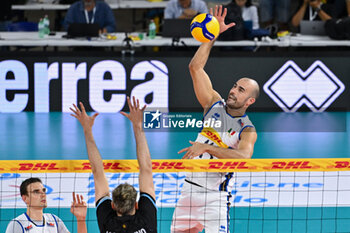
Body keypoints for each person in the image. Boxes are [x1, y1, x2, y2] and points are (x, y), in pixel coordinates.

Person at [171, 5, 259, 233]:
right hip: (188, 191)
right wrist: (212, 36)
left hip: (215, 198)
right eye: (234, 86)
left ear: (249, 101)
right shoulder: (213, 104)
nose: (233, 91)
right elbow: (195, 67)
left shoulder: (247, 129)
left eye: (241, 91)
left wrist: (205, 148)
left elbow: (243, 157)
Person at [70, 98, 157, 232]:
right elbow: (146, 168)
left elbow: (97, 172)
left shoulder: (107, 221)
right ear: (136, 205)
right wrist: (138, 126)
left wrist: (87, 130)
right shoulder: (146, 219)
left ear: (112, 205)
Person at [6, 177, 87, 233]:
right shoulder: (17, 224)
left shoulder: (54, 220)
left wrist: (81, 219)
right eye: (36, 192)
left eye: (44, 190)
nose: (43, 194)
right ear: (25, 198)